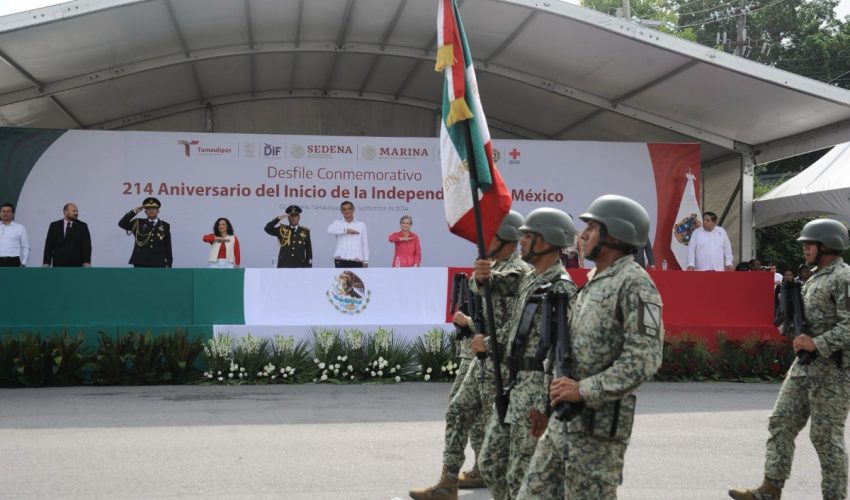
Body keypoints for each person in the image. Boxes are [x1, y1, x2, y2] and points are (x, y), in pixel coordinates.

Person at [549, 194, 664, 499]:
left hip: (597, 431)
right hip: (563, 420)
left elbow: (645, 358)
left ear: (615, 234)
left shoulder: (636, 284)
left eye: (592, 228)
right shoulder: (593, 281)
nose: (583, 235)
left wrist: (584, 389)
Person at [409, 211, 530, 500]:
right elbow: (481, 285)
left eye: (490, 236)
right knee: (457, 411)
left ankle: (505, 485)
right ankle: (447, 481)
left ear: (507, 237)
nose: (484, 241)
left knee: (498, 426)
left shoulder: (519, 271)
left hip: (505, 364)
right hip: (483, 360)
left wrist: (484, 276)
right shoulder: (494, 268)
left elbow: (501, 287)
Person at [729, 218, 850, 500]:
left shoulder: (843, 278)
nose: (804, 248)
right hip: (804, 366)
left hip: (833, 372)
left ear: (827, 245)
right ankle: (770, 489)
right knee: (780, 422)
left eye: (810, 244)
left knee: (825, 438)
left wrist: (817, 343)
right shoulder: (815, 277)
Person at [477, 208, 578, 500]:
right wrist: (481, 278)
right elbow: (497, 298)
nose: (521, 241)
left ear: (548, 240)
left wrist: (548, 406)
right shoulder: (531, 278)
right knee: (491, 463)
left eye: (529, 236)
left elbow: (564, 353)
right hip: (514, 385)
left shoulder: (560, 288)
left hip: (536, 393)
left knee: (520, 476)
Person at [117, 197, 173, 268]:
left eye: (154, 208)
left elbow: (168, 246)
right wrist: (134, 212)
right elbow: (122, 223)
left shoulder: (165, 225)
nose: (151, 211)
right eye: (148, 209)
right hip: (140, 262)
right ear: (145, 212)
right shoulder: (138, 223)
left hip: (158, 262)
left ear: (158, 211)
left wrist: (169, 263)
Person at [42, 203, 92, 267]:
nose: (76, 213)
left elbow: (86, 246)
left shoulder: (82, 226)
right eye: (73, 211)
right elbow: (49, 246)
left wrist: (86, 261)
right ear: (65, 212)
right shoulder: (54, 226)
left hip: (76, 265)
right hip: (58, 265)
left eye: (77, 211)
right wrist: (46, 262)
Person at [327, 200, 368, 268]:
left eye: (349, 208)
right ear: (341, 211)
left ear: (353, 209)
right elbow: (329, 230)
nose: (347, 211)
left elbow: (364, 243)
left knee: (356, 276)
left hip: (357, 259)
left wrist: (366, 260)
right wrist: (346, 230)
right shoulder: (337, 223)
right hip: (340, 259)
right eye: (344, 209)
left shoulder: (361, 225)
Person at [0, 202, 29, 267]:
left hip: (13, 261)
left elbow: (25, 247)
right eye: (3, 211)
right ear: (0, 213)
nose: (5, 213)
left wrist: (24, 263)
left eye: (8, 211)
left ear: (13, 214)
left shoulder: (20, 228)